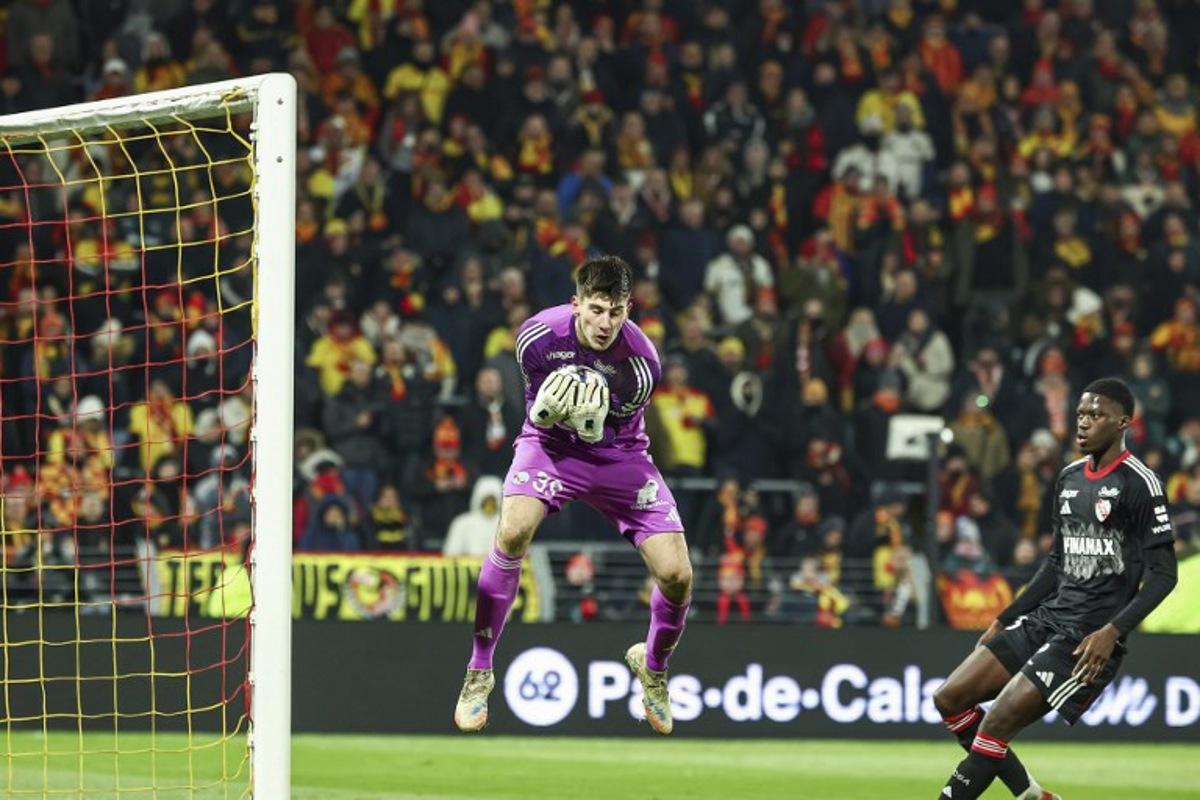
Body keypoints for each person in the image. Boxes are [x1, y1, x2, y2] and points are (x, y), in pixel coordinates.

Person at [453, 256, 692, 735]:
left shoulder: (642, 364)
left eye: (617, 311)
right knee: (513, 531)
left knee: (677, 575)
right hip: (551, 447)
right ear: (576, 303)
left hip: (619, 456)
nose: (606, 323)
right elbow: (539, 414)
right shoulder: (536, 338)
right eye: (598, 309)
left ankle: (654, 668)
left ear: (629, 309)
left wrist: (591, 410)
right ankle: (479, 671)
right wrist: (549, 415)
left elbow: (608, 429)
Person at [932, 378, 1178, 799]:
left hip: (1085, 641)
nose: (1083, 423)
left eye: (1096, 415)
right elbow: (1055, 563)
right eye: (1081, 414)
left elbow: (1164, 575)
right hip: (1046, 620)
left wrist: (1112, 632)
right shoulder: (1068, 479)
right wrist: (1005, 618)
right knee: (949, 698)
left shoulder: (1140, 483)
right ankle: (1032, 795)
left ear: (1123, 422)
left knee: (995, 726)